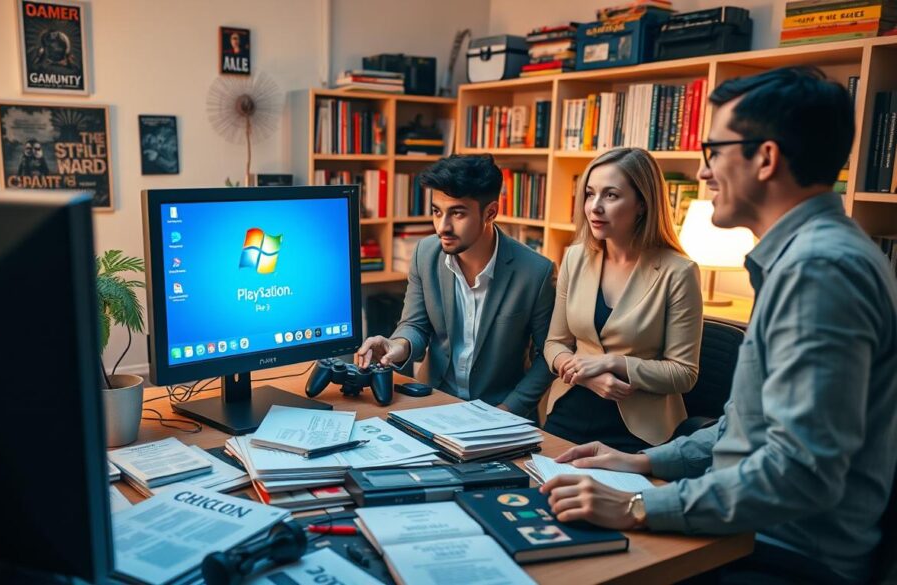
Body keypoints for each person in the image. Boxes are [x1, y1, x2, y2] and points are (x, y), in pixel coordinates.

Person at [540, 66, 897, 584]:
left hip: (782, 551)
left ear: (766, 159)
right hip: (746, 526)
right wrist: (645, 463)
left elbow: (800, 473)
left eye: (713, 150)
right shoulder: (802, 259)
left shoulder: (819, 271)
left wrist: (638, 505)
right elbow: (743, 427)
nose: (703, 172)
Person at [356, 154, 555, 417]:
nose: (442, 227)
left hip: (501, 412)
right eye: (437, 212)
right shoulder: (425, 254)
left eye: (457, 213)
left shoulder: (536, 272)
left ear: (490, 212)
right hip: (433, 402)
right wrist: (398, 345)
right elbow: (415, 325)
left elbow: (548, 356)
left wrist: (507, 410)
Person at [543, 147, 703, 453]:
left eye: (611, 195)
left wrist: (612, 363)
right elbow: (554, 344)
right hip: (569, 407)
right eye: (590, 194)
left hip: (639, 429)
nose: (595, 207)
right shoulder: (575, 257)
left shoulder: (679, 272)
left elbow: (684, 373)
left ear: (642, 203)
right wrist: (589, 378)